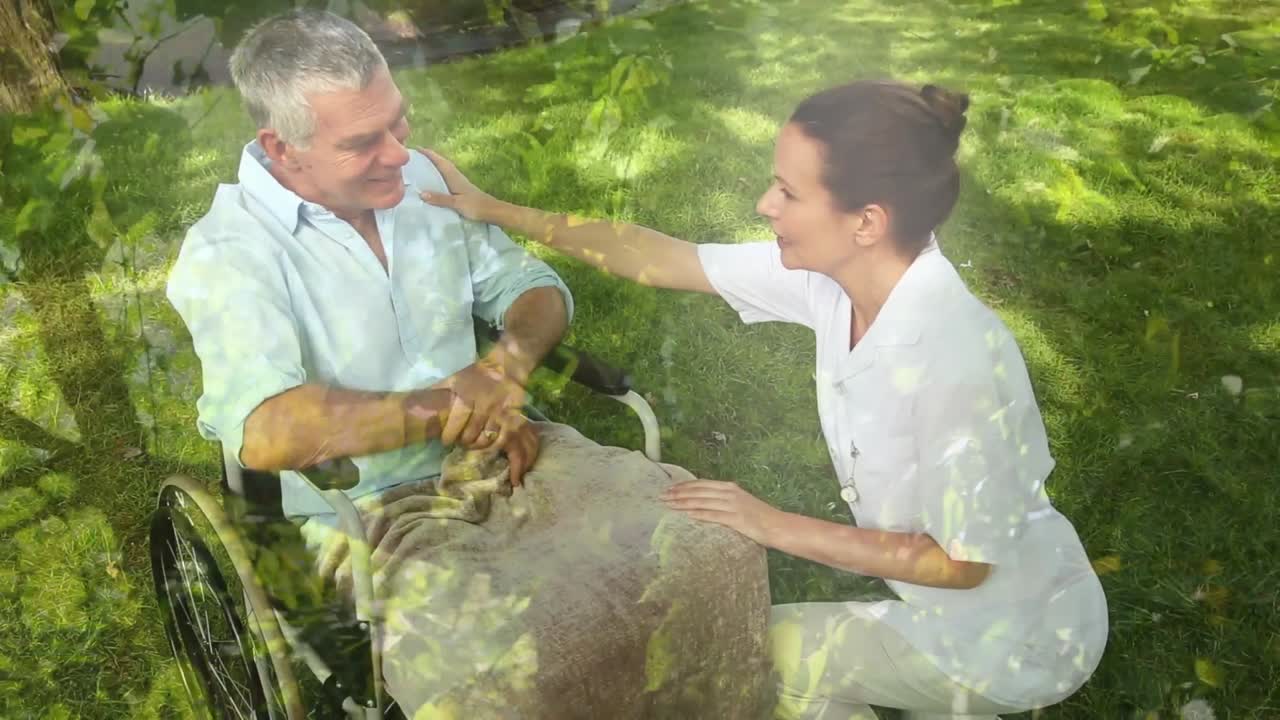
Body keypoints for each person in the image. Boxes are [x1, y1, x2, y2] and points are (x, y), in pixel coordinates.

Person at [418, 79, 1110, 719]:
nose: (764, 205)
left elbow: (962, 562)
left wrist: (768, 523)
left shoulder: (957, 360)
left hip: (1014, 636)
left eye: (788, 192)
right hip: (971, 602)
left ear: (866, 221)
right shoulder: (839, 278)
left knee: (751, 649)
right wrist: (496, 211)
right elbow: (662, 257)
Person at [165, 9, 572, 522]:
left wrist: (504, 366)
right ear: (281, 148)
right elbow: (266, 428)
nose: (400, 155)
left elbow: (534, 288)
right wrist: (449, 409)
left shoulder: (420, 177)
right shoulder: (227, 252)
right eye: (362, 143)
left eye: (397, 120)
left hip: (505, 450)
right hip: (364, 515)